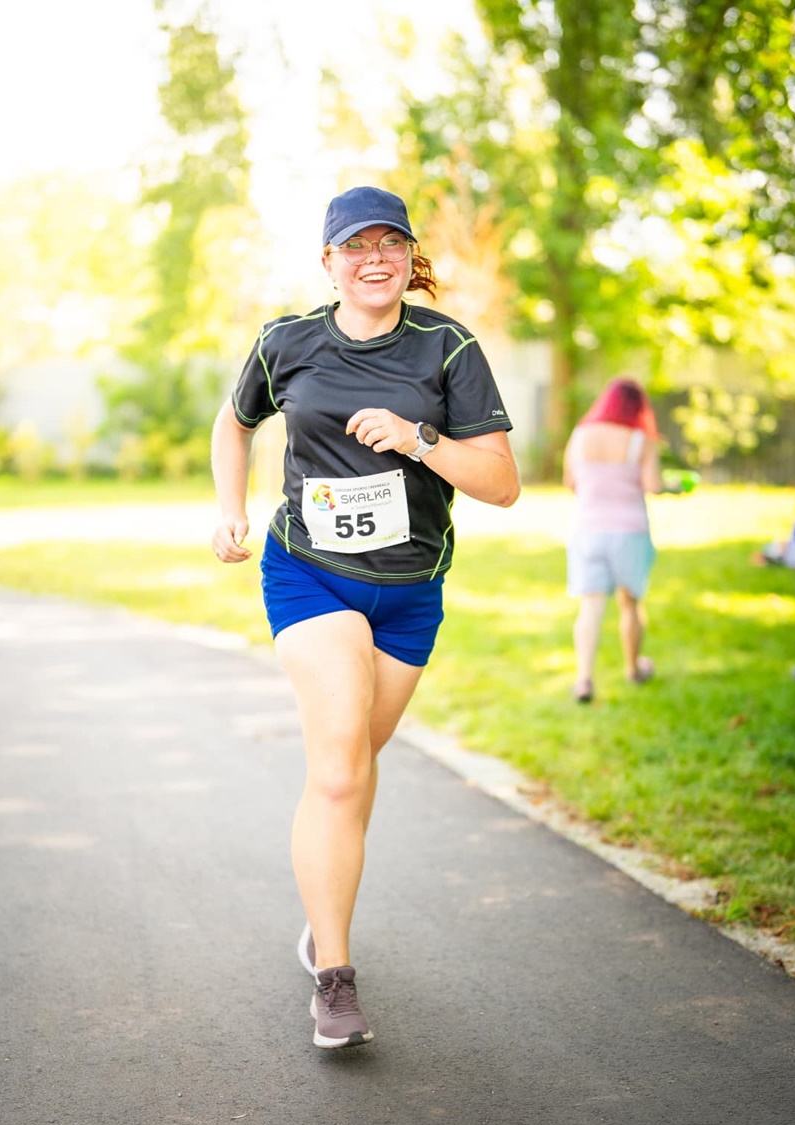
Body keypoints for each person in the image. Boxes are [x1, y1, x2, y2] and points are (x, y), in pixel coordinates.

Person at [210, 185, 520, 1049]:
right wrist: (230, 509)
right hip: (311, 574)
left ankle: (324, 912)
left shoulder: (448, 348)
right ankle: (335, 979)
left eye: (389, 243)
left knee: (348, 765)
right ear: (329, 261)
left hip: (411, 591)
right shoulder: (287, 342)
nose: (373, 258)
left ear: (410, 257)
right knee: (342, 771)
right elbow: (233, 425)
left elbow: (502, 484)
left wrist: (419, 439)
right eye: (355, 246)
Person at [563, 376, 679, 703]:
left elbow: (570, 482)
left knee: (590, 605)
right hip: (629, 532)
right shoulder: (640, 439)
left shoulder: (580, 434)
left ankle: (583, 680)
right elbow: (653, 485)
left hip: (588, 529)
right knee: (630, 604)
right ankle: (633, 668)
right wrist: (674, 487)